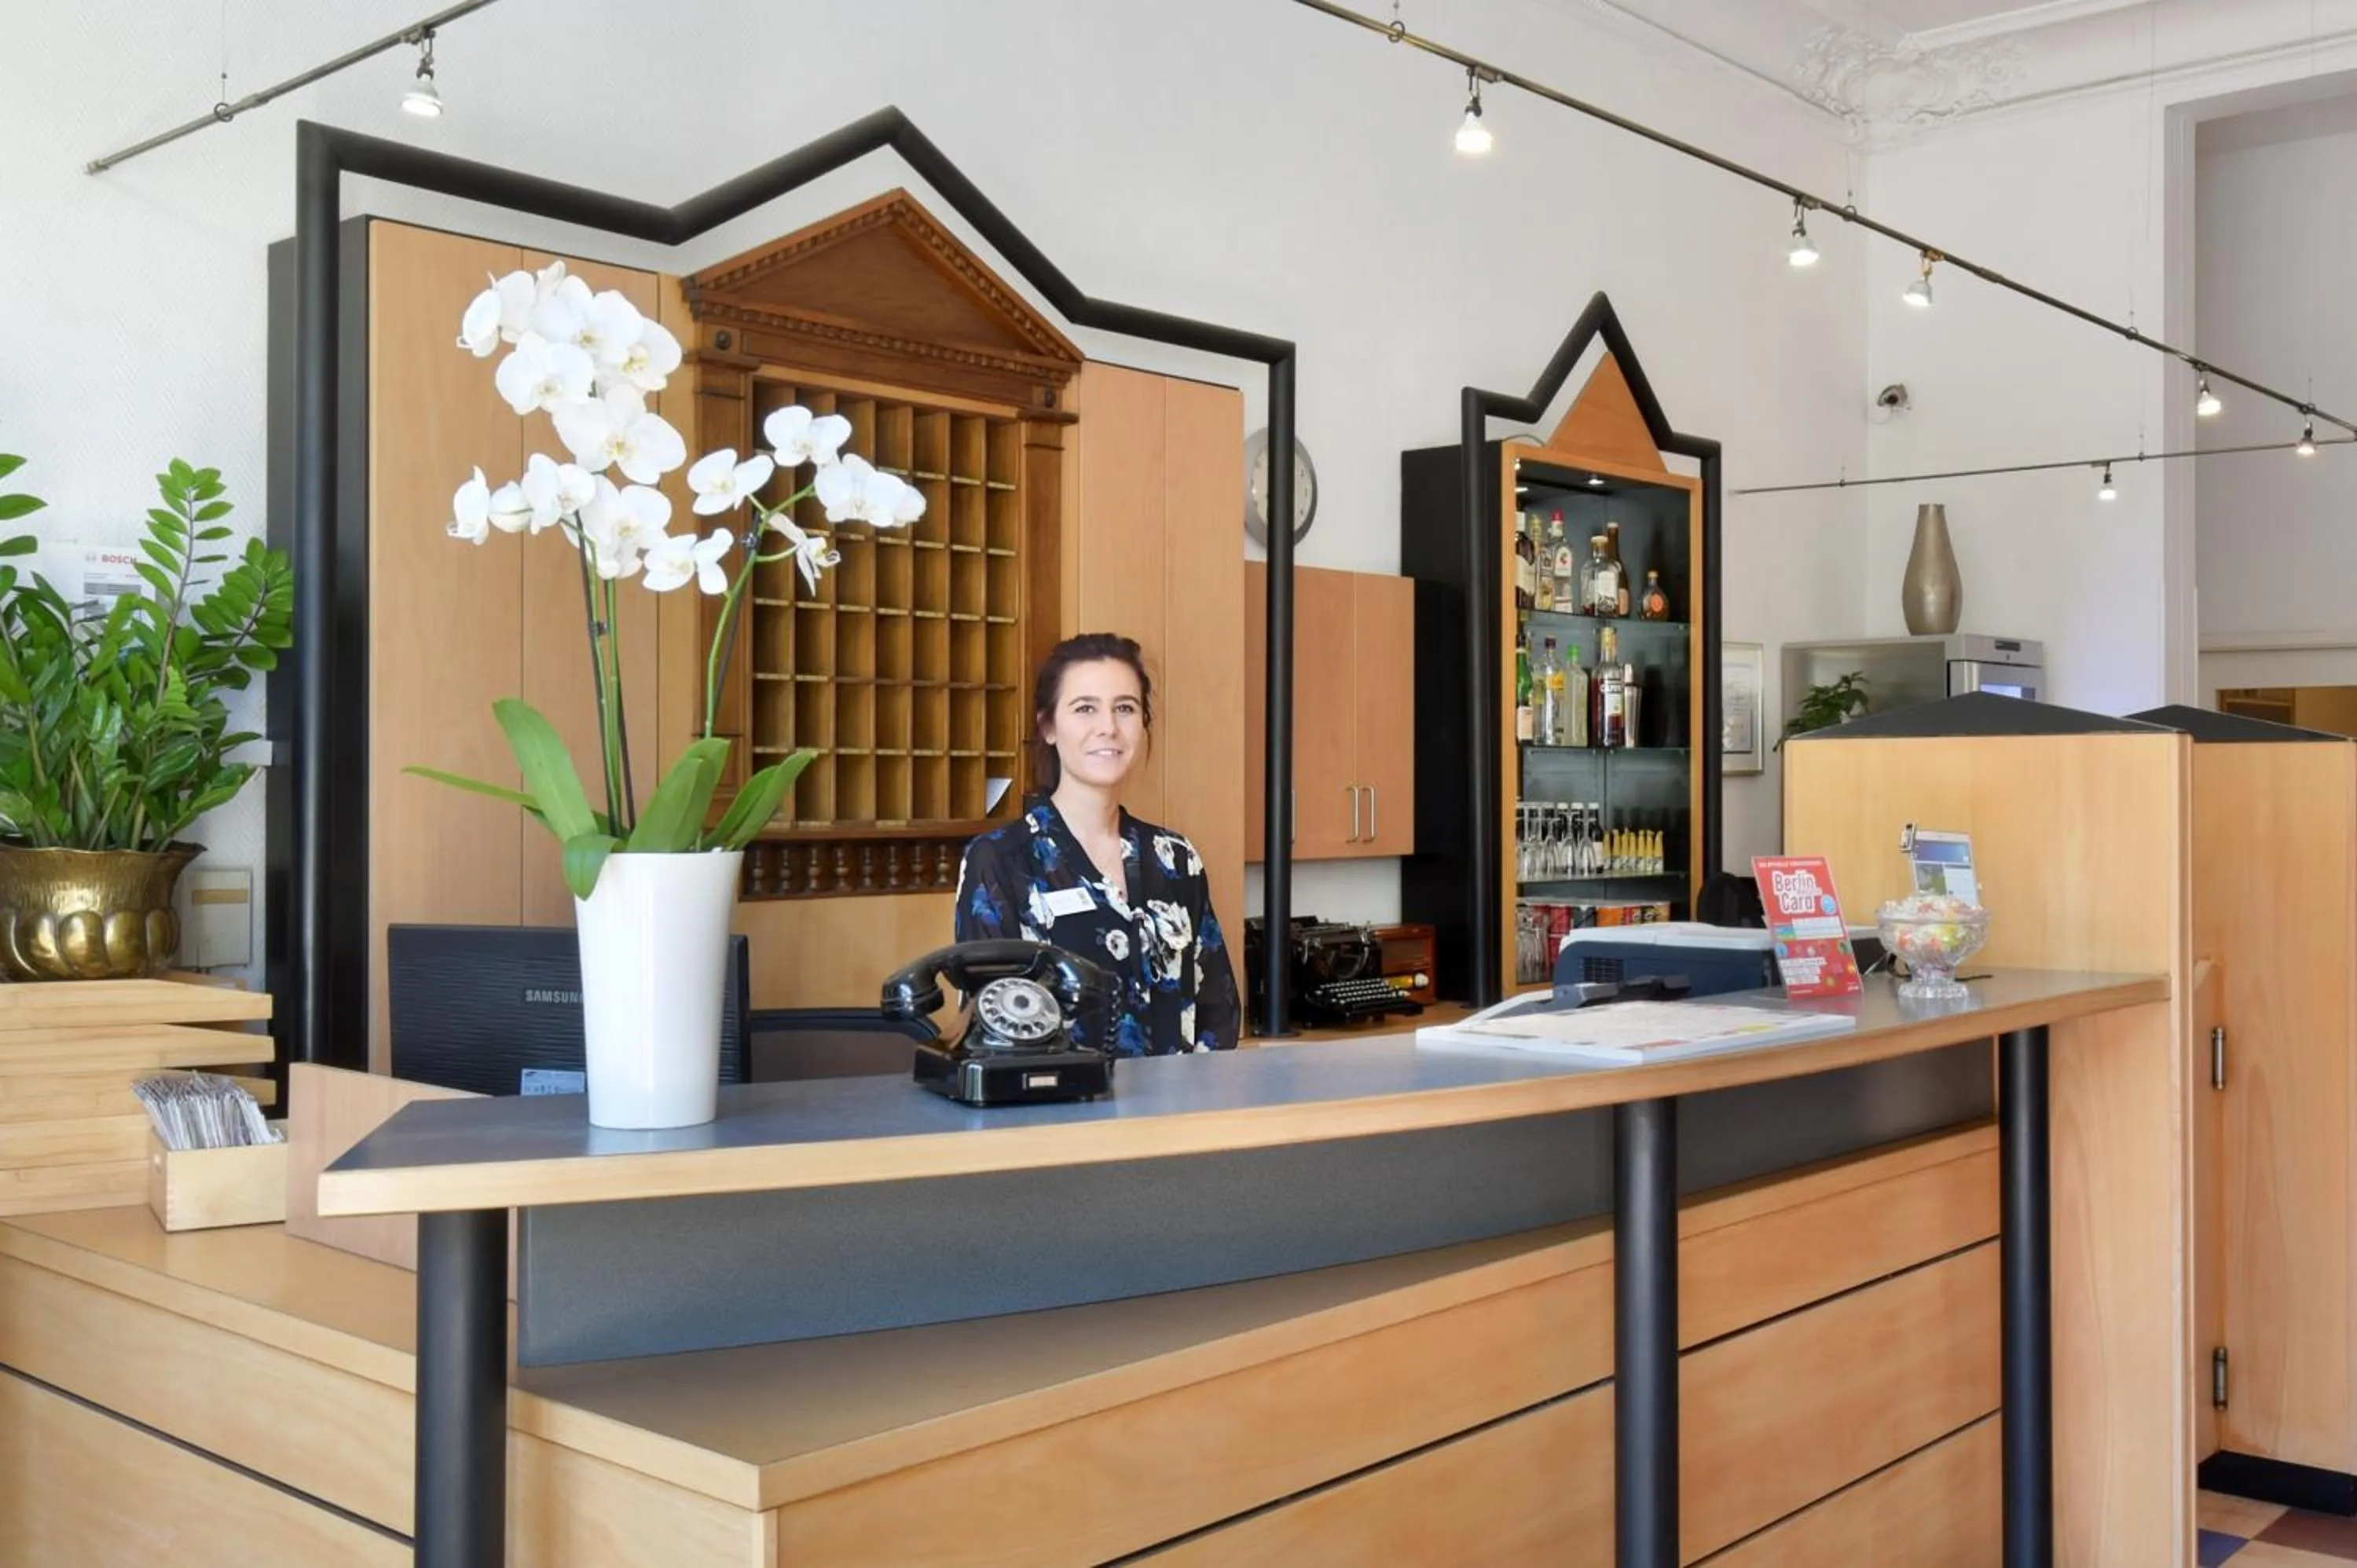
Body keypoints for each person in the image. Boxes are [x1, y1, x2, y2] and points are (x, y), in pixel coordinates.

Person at [954, 633, 1241, 1055]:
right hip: (1060, 1096)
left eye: (1125, 708)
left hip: (1179, 1096)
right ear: (1048, 727)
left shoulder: (1176, 859)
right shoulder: (999, 859)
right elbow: (992, 1028)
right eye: (1085, 708)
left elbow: (1218, 1012)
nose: (1108, 727)